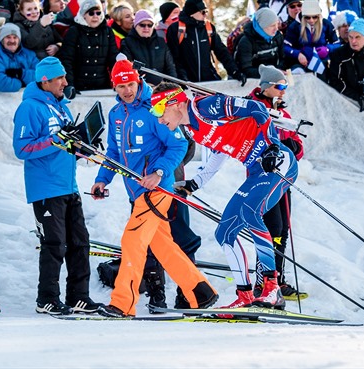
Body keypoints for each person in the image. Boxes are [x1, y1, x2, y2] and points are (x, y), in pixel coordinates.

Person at [89, 55, 218, 318]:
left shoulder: (155, 108)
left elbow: (179, 145)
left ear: (139, 81)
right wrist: (102, 179)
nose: (127, 91)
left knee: (132, 240)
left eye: (131, 85)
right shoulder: (116, 114)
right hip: (135, 190)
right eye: (121, 86)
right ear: (114, 87)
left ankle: (123, 303)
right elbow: (114, 152)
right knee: (162, 246)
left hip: (157, 190)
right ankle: (201, 292)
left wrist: (159, 172)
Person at [151, 81, 298, 310]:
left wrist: (272, 146)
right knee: (224, 232)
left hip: (278, 162)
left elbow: (257, 109)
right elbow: (220, 151)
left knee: (250, 212)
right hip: (257, 170)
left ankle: (272, 288)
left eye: (160, 110)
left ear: (175, 103)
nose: (159, 119)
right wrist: (195, 183)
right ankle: (245, 295)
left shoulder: (207, 107)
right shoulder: (192, 129)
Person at [13, 57, 100, 315]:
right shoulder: (30, 107)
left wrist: (82, 144)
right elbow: (22, 148)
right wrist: (55, 139)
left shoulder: (62, 106)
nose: (65, 82)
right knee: (55, 244)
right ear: (45, 81)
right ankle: (47, 298)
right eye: (59, 78)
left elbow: (66, 144)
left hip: (68, 185)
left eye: (64, 77)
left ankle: (78, 296)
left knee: (80, 242)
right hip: (46, 188)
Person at [245, 65, 306, 300]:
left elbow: (297, 144)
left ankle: (277, 278)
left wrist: (293, 148)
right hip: (262, 179)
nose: (283, 91)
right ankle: (263, 282)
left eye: (285, 87)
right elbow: (251, 142)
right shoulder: (254, 109)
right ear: (267, 87)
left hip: (283, 179)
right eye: (280, 87)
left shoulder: (284, 113)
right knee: (271, 229)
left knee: (283, 230)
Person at [166, 0, 245, 85]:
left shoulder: (209, 27)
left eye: (206, 11)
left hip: (208, 81)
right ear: (192, 13)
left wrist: (234, 71)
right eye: (203, 12)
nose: (206, 14)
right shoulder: (176, 29)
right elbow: (174, 58)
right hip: (187, 82)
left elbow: (222, 52)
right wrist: (182, 78)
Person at [58, 0, 118, 98]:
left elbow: (113, 60)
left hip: (102, 87)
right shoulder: (74, 31)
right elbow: (66, 60)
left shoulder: (107, 32)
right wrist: (69, 85)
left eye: (98, 13)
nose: (95, 16)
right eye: (91, 13)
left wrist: (118, 82)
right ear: (83, 15)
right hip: (79, 88)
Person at [120, 9, 176, 86]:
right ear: (135, 25)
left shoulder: (161, 42)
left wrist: (172, 86)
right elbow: (127, 69)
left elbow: (170, 68)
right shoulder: (127, 43)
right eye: (142, 25)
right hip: (140, 89)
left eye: (150, 25)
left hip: (162, 89)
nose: (146, 28)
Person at [283, 0, 338, 74]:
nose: (311, 20)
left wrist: (327, 49)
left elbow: (337, 44)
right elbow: (285, 47)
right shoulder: (295, 26)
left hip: (322, 61)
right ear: (303, 16)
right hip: (302, 63)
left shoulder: (326, 24)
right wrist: (298, 54)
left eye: (315, 17)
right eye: (307, 18)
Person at [0, 22, 39, 92]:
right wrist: (21, 84)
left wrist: (21, 73)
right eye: (8, 37)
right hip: (2, 99)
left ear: (19, 40)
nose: (12, 41)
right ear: (2, 39)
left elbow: (40, 75)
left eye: (15, 37)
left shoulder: (29, 54)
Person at [235, 7, 284, 78]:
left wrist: (279, 69)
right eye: (272, 25)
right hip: (252, 81)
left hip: (273, 77)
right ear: (262, 26)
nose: (276, 28)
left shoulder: (277, 36)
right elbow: (245, 69)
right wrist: (269, 73)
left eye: (277, 24)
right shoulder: (246, 42)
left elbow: (283, 58)